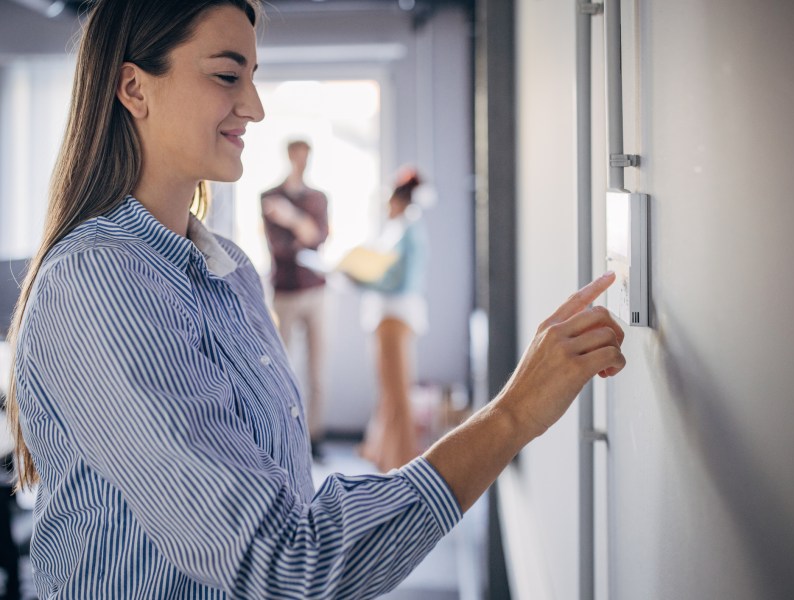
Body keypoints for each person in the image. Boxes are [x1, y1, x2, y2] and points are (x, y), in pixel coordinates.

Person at [3, 1, 626, 598]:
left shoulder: (229, 268)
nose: (254, 107)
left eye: (252, 78)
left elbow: (287, 503)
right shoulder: (98, 282)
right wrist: (511, 416)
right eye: (227, 75)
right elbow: (286, 563)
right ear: (134, 89)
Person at [260, 140, 329, 460]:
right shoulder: (269, 196)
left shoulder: (318, 198)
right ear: (289, 156)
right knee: (281, 365)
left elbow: (318, 237)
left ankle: (314, 437)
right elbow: (280, 248)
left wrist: (290, 219)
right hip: (285, 291)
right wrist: (301, 230)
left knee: (318, 369)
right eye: (297, 155)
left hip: (316, 290)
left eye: (307, 156)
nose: (302, 161)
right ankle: (285, 435)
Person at [356, 168, 429, 472]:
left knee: (397, 396)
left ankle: (402, 465)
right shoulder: (397, 229)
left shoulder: (407, 231)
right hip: (389, 318)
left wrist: (360, 276)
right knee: (389, 395)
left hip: (395, 318)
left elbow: (397, 281)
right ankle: (386, 459)